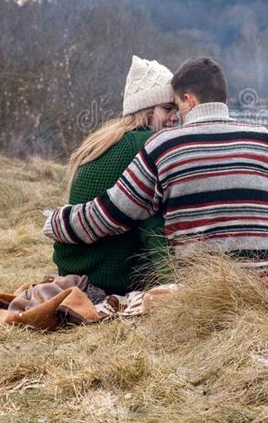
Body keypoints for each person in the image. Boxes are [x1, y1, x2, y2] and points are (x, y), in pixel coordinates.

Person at [45, 57, 268, 277]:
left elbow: (108, 216)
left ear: (188, 100)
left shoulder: (163, 148)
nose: (176, 115)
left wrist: (58, 221)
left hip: (199, 285)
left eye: (176, 105)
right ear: (224, 100)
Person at [52, 55, 177, 294]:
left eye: (176, 109)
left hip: (74, 268)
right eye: (167, 108)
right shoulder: (148, 144)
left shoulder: (108, 137)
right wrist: (172, 285)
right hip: (110, 274)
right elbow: (153, 223)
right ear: (146, 109)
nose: (174, 117)